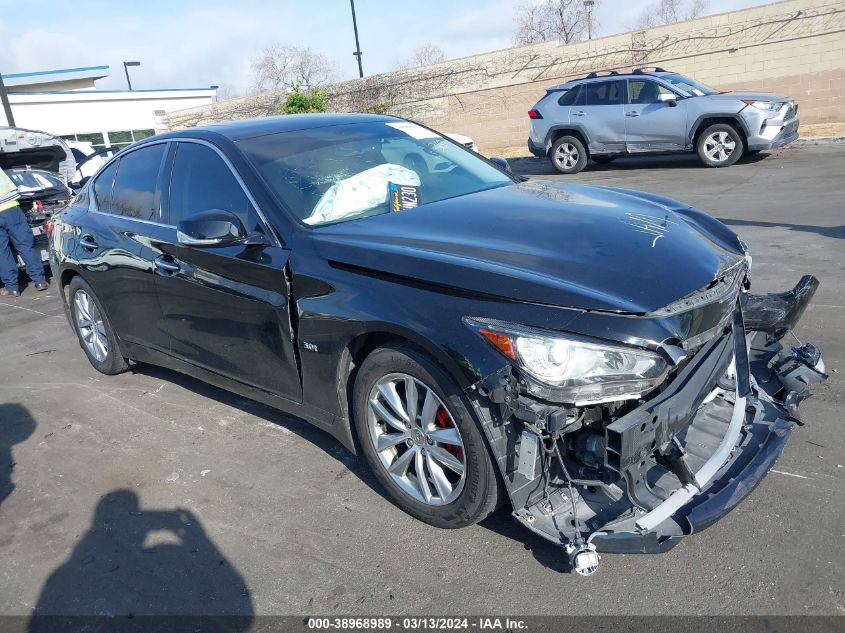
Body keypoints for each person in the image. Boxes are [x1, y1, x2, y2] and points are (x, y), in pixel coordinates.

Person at [0, 169, 49, 297]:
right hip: (11, 208)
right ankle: (40, 281)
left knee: (1, 251)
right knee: (25, 245)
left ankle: (12, 288)